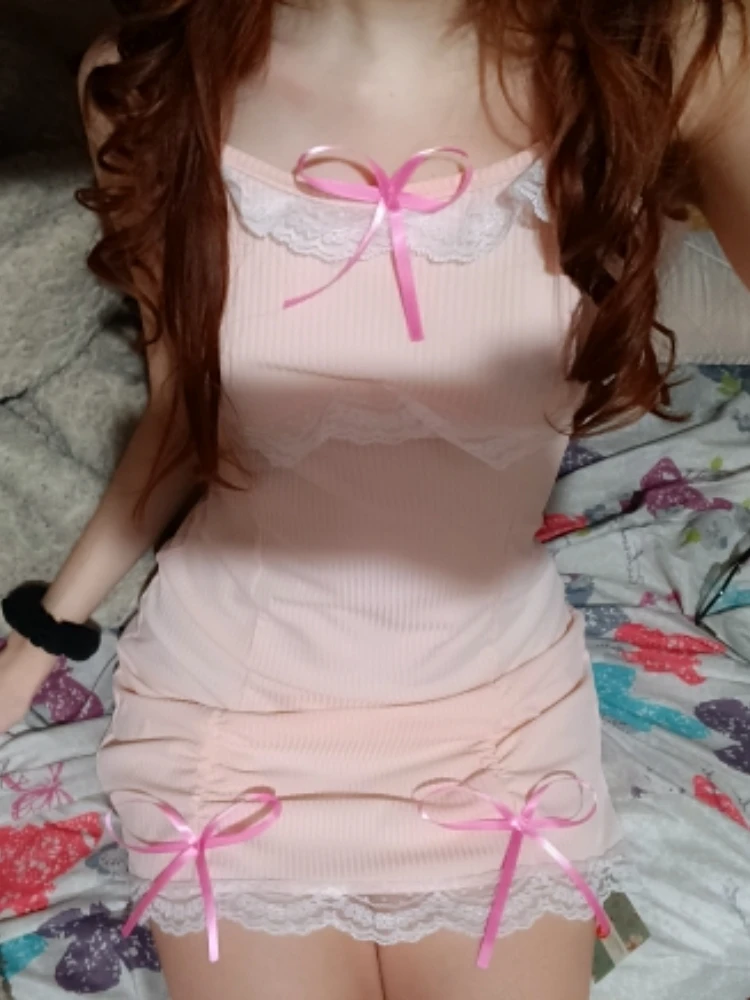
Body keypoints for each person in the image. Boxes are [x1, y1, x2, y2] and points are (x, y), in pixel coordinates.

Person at [1, 1, 749, 997]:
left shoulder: (658, 50)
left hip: (498, 720)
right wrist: (40, 639)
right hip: (233, 717)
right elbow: (184, 414)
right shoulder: (150, 83)